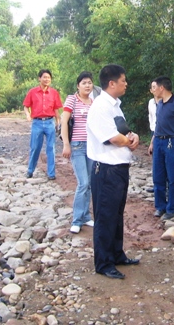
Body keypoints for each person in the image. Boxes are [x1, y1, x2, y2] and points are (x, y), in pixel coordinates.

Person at [87, 64, 140, 280]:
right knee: (105, 216)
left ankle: (117, 254)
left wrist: (133, 137)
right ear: (111, 83)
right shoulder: (100, 106)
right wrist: (128, 140)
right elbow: (113, 138)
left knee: (117, 214)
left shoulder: (115, 105)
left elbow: (123, 131)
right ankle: (103, 263)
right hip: (106, 169)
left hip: (119, 168)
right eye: (123, 81)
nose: (126, 84)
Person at [148, 76, 174, 221]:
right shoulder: (159, 104)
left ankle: (171, 208)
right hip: (158, 141)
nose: (153, 90)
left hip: (172, 142)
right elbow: (157, 125)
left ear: (162, 88)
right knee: (158, 176)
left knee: (172, 177)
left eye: (155, 87)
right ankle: (160, 206)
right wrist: (152, 142)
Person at [61, 72, 96, 234]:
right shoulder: (72, 99)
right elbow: (64, 122)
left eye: (89, 83)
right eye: (84, 83)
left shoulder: (93, 102)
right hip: (77, 146)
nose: (87, 85)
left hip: (91, 146)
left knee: (90, 183)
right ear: (78, 85)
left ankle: (86, 216)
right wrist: (66, 144)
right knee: (83, 183)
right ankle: (76, 220)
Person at [23, 69, 63, 180]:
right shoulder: (32, 92)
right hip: (37, 123)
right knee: (35, 147)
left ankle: (51, 174)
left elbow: (56, 109)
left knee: (51, 148)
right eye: (44, 77)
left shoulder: (54, 93)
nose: (46, 79)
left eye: (48, 77)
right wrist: (28, 115)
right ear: (39, 78)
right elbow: (26, 106)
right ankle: (30, 171)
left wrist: (58, 122)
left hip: (50, 122)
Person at [145, 81, 159, 193]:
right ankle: (156, 185)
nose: (155, 89)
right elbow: (150, 116)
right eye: (153, 87)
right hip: (153, 131)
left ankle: (167, 185)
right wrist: (152, 128)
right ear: (151, 90)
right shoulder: (151, 102)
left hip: (164, 132)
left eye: (157, 86)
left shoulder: (166, 101)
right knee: (155, 159)